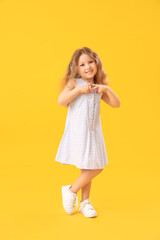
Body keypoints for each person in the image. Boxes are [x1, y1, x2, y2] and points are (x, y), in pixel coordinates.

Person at [55, 47, 120, 217]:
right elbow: (61, 101)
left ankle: (85, 202)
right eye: (82, 64)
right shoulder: (75, 83)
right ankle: (71, 190)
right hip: (79, 131)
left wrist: (107, 89)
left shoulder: (98, 88)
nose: (87, 67)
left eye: (90, 62)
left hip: (94, 132)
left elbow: (116, 104)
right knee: (94, 167)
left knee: (89, 167)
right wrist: (77, 90)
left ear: (96, 64)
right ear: (76, 69)